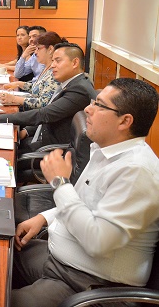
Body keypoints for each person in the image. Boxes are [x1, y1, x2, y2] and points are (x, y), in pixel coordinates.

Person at [11, 78, 159, 307]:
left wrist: (60, 183)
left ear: (125, 121)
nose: (88, 109)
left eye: (99, 105)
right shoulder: (106, 150)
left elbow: (97, 241)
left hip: (88, 283)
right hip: (60, 260)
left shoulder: (136, 172)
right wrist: (43, 218)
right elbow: (82, 203)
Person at [0, 42, 97, 154]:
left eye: (58, 61)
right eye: (53, 61)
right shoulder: (73, 83)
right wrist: (27, 131)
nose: (52, 65)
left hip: (52, 152)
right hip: (43, 138)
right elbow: (52, 115)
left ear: (75, 63)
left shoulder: (79, 90)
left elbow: (45, 114)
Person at [0, 32, 64, 110]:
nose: (35, 52)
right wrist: (19, 84)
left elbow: (43, 103)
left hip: (35, 115)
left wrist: (14, 99)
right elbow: (38, 89)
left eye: (38, 48)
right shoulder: (47, 68)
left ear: (50, 49)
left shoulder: (54, 72)